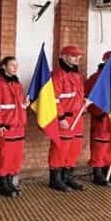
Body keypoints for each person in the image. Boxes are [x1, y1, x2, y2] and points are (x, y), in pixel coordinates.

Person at [0, 55, 27, 198]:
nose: (15, 68)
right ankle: (2, 184)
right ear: (4, 67)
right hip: (6, 127)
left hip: (18, 127)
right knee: (5, 157)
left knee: (16, 157)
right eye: (12, 65)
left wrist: (25, 105)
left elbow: (18, 105)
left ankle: (10, 182)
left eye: (16, 65)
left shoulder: (17, 84)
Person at [49, 44, 86, 192]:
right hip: (65, 119)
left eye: (78, 56)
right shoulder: (58, 75)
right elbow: (54, 99)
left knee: (74, 148)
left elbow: (78, 95)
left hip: (78, 118)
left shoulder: (76, 75)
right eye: (73, 56)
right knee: (60, 148)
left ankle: (68, 176)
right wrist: (61, 117)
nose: (77, 58)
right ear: (64, 57)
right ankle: (55, 179)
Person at [86, 50, 111, 186]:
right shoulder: (96, 78)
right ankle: (97, 172)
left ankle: (108, 170)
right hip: (101, 118)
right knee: (99, 146)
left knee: (110, 145)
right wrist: (99, 113)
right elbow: (89, 98)